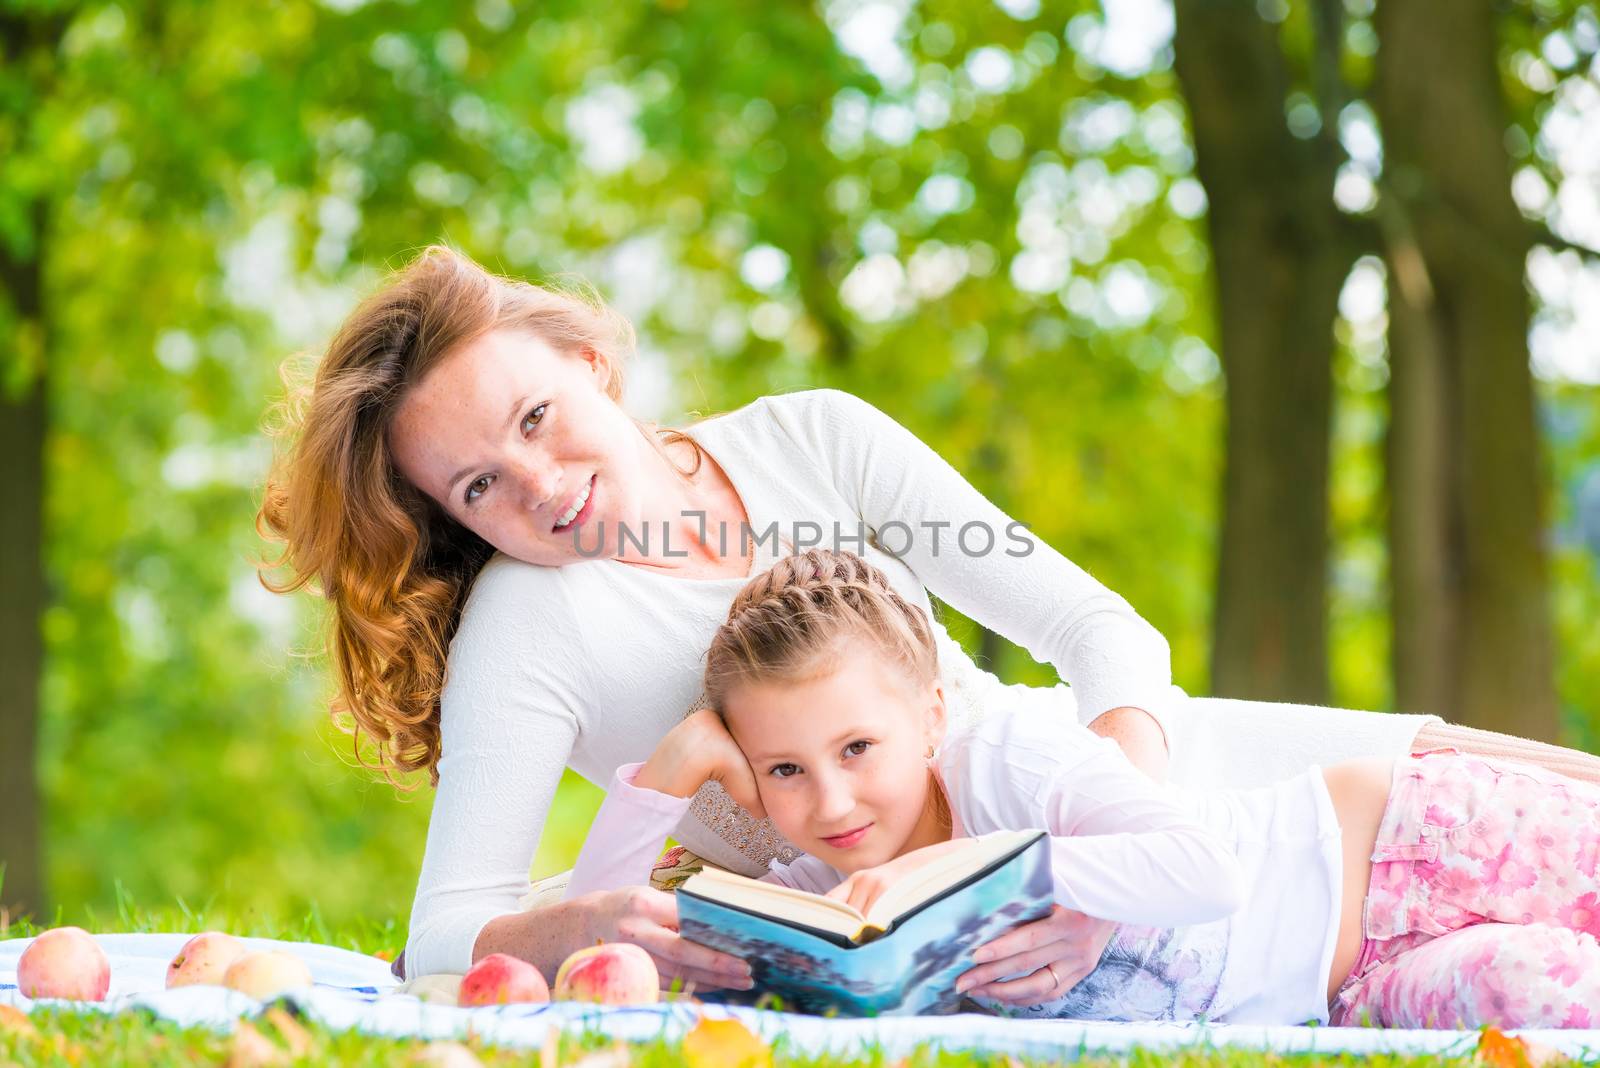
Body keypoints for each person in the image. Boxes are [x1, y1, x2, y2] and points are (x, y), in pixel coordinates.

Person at [257, 245, 1600, 991]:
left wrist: (1087, 867)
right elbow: (445, 935)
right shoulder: (531, 632)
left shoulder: (813, 444)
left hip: (1122, 792)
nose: (538, 487)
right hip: (975, 925)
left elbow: (1105, 639)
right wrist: (581, 919)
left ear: (593, 364)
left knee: (1486, 785)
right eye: (481, 487)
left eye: (538, 418)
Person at [566, 548, 1600, 1028]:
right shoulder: (824, 899)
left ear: (928, 716)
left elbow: (1204, 870)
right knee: (1557, 1000)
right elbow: (612, 955)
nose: (832, 803)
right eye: (782, 770)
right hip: (1351, 993)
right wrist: (673, 770)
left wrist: (998, 867)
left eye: (856, 749)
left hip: (1401, 842)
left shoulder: (1003, 755)